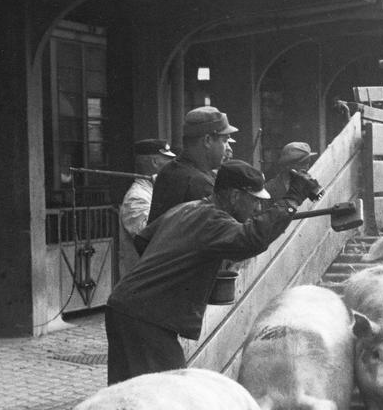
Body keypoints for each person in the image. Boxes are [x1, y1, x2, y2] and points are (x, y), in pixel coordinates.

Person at [105, 159, 318, 385]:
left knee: (128, 391)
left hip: (125, 306)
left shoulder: (188, 208)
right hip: (146, 317)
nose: (257, 208)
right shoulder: (212, 221)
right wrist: (291, 200)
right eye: (254, 200)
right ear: (234, 196)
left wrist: (193, 268)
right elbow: (252, 238)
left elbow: (143, 240)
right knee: (169, 390)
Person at [145, 105, 240, 230]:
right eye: (225, 140)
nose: (228, 148)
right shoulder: (199, 183)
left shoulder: (169, 170)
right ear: (207, 140)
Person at [117, 139, 175, 277]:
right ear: (154, 162)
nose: (172, 167)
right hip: (141, 280)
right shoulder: (136, 197)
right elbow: (150, 237)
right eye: (168, 161)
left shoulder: (153, 191)